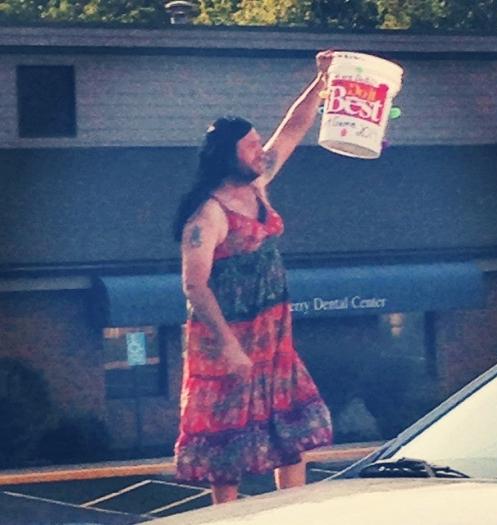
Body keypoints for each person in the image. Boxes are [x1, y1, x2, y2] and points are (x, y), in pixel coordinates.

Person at [173, 51, 334, 504]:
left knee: (291, 433)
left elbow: (293, 129)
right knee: (226, 446)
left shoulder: (257, 187)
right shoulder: (208, 213)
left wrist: (321, 81)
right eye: (250, 147)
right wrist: (229, 346)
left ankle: (292, 511)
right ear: (229, 156)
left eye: (258, 143)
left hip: (272, 336)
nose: (261, 151)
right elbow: (194, 285)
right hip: (230, 340)